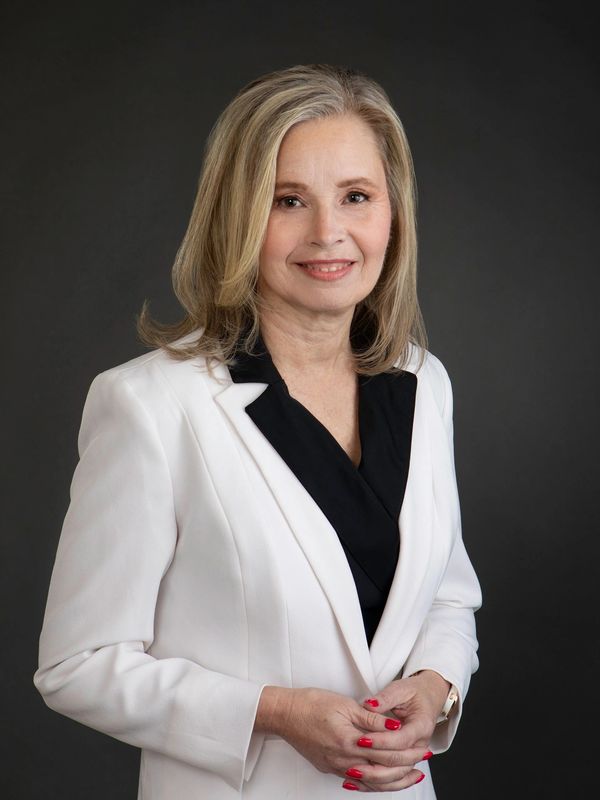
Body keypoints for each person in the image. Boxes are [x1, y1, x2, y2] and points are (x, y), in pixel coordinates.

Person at [34, 64, 482, 798]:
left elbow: (446, 598)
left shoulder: (422, 382)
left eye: (357, 197)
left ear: (392, 214)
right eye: (289, 201)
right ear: (237, 215)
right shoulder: (150, 405)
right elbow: (77, 664)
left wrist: (436, 687)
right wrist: (274, 712)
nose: (328, 233)